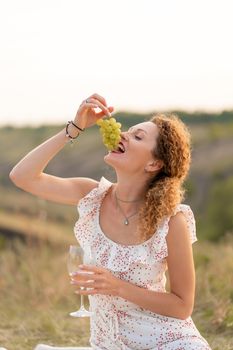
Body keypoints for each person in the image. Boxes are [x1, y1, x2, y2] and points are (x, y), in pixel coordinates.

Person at [9, 93, 212, 350]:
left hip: (167, 341)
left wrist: (117, 287)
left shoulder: (172, 220)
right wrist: (74, 128)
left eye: (138, 136)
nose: (124, 134)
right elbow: (22, 176)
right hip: (109, 344)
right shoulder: (91, 196)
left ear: (154, 163)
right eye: (127, 131)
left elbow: (183, 306)